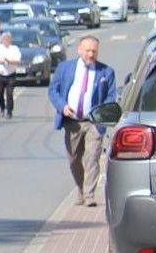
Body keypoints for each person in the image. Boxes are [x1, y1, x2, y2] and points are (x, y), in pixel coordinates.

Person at [48, 34, 118, 207]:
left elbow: (110, 97)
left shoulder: (106, 72)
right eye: (87, 51)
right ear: (79, 50)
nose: (91, 54)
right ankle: (80, 188)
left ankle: (89, 195)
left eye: (94, 51)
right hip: (72, 121)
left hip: (93, 122)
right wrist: (62, 106)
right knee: (74, 159)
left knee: (92, 157)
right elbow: (53, 90)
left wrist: (102, 115)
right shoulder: (65, 68)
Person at [0, 29, 22, 118]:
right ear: (2, 40)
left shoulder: (14, 49)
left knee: (9, 94)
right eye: (4, 39)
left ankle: (9, 111)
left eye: (8, 39)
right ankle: (2, 108)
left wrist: (9, 61)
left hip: (10, 74)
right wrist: (1, 61)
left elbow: (18, 61)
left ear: (10, 40)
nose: (6, 41)